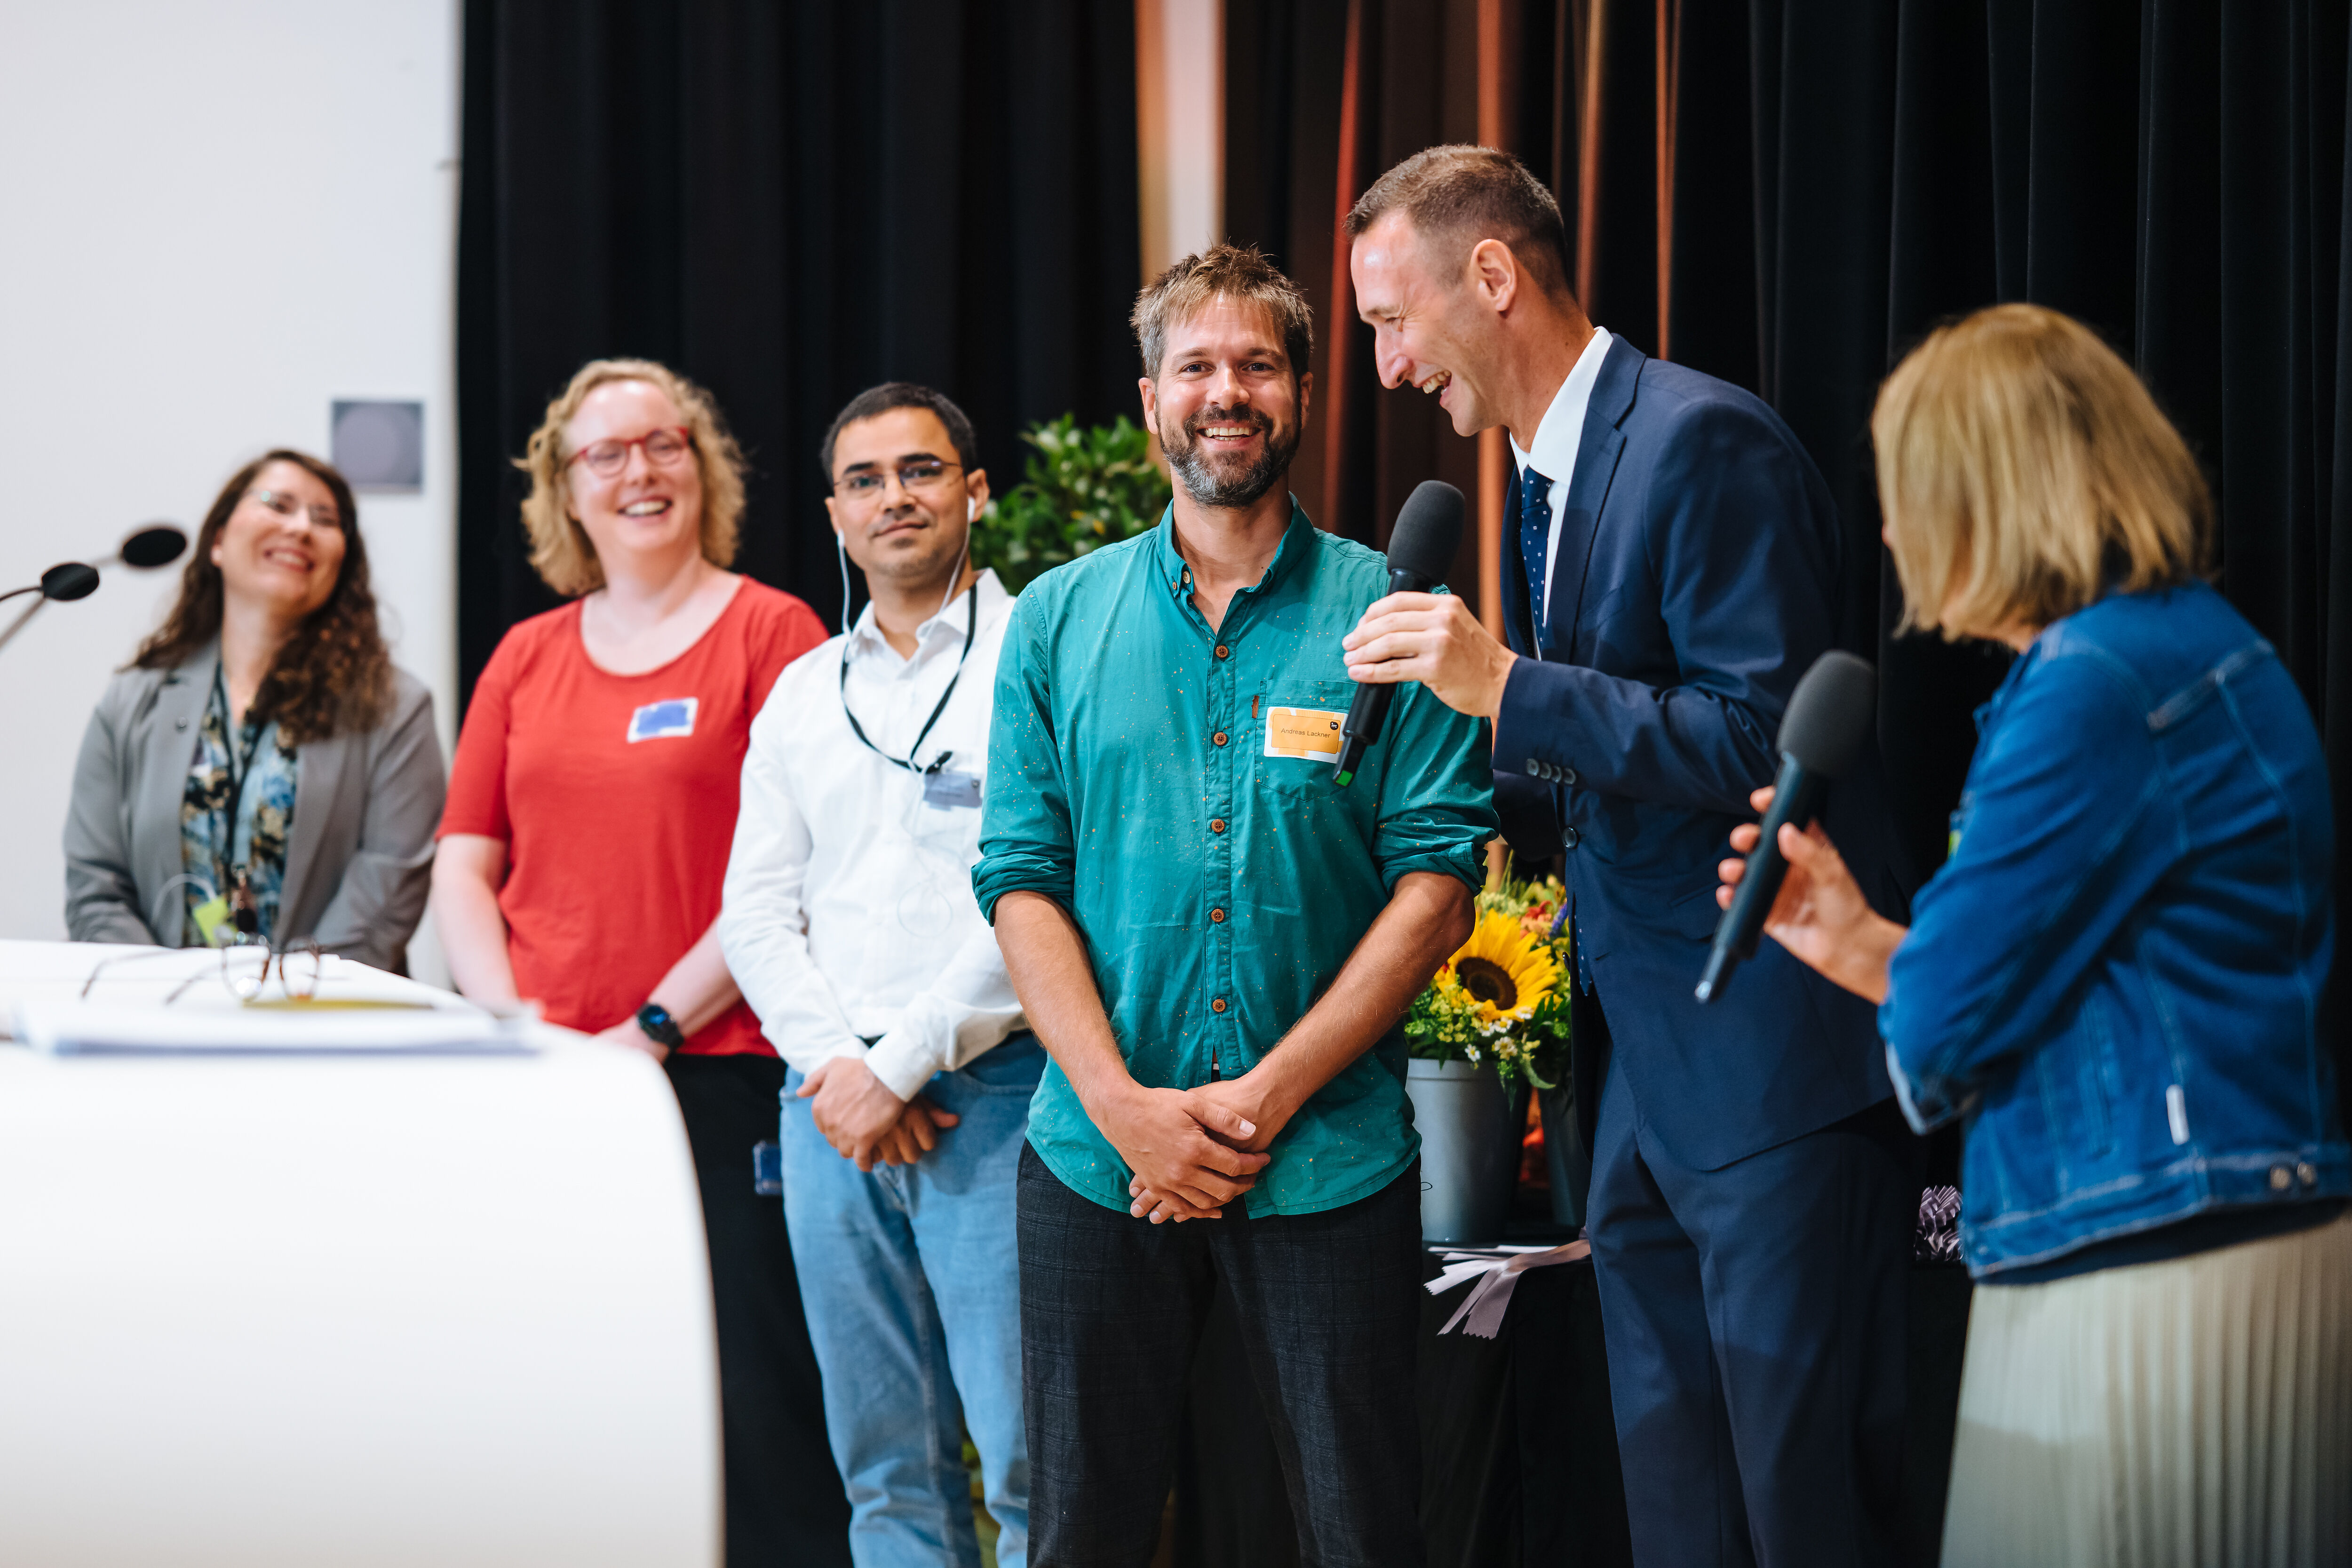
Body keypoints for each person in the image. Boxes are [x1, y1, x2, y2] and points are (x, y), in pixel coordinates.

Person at [1340, 145, 1918, 1566]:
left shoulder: (1699, 439)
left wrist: (1507, 688)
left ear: (1491, 275)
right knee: (1676, 1512)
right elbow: (1610, 755)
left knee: (1801, 1513)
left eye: (1392, 320)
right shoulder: (1542, 475)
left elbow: (1766, 738)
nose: (1389, 366)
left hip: (1765, 1075)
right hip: (1641, 1091)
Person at [1716, 303, 2350, 1568]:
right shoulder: (2192, 646)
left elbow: (1948, 1025)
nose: (1889, 532)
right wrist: (1863, 945)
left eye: (1908, 492)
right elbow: (2082, 974)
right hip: (2212, 1225)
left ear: (1986, 497)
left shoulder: (2089, 687)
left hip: (2149, 1263)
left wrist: (1915, 981)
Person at [973, 243, 1496, 1568]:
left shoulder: (1396, 613)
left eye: (1258, 364)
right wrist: (1125, 1109)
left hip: (1327, 1162)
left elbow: (1437, 887)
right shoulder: (1053, 620)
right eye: (1195, 365)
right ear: (1151, 398)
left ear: (1303, 393)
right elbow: (1020, 879)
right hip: (1097, 1160)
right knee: (1080, 1537)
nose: (1227, 392)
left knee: (1362, 1535)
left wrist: (1261, 1097)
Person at [429, 359, 844, 1567]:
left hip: (718, 1072)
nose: (639, 472)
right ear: (566, 489)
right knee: (565, 1386)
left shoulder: (775, 633)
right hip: (545, 1080)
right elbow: (464, 863)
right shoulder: (525, 655)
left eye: (664, 444)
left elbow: (791, 871)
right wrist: (516, 1028)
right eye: (605, 454)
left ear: (702, 467)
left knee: (755, 1400)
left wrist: (652, 1027)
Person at [720, 382, 1035, 1568]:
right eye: (864, 480)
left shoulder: (1037, 655)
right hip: (829, 1113)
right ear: (834, 515)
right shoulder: (805, 692)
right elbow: (754, 913)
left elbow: (1042, 892)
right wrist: (843, 1070)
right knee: (885, 1474)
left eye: (919, 469)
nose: (892, 497)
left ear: (975, 491)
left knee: (1030, 1465)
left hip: (1002, 1098)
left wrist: (896, 1065)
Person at [66, 449, 444, 971]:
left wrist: (287, 1001)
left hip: (327, 1011)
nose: (301, 527)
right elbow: (96, 889)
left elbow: (384, 901)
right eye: (278, 504)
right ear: (218, 541)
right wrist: (160, 996)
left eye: (324, 519)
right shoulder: (131, 702)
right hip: (154, 1013)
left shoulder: (396, 710)